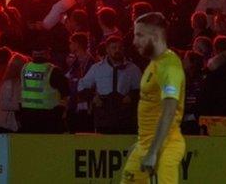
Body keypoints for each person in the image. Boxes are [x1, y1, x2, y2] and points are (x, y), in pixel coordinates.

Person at [122, 12, 185, 184]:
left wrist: (153, 152)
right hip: (145, 145)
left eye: (140, 35)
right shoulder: (154, 63)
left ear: (156, 36)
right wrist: (142, 143)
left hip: (161, 150)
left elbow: (169, 110)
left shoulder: (169, 66)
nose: (135, 42)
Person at [78, 35, 142, 134]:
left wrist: (131, 96)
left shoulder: (132, 69)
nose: (117, 50)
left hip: (125, 116)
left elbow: (142, 90)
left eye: (120, 48)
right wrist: (93, 97)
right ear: (107, 49)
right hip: (104, 115)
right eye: (114, 48)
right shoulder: (97, 68)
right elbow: (81, 86)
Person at [19, 48, 69, 133]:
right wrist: (61, 111)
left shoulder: (25, 68)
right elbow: (66, 92)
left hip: (27, 115)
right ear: (47, 54)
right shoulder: (52, 70)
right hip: (48, 116)